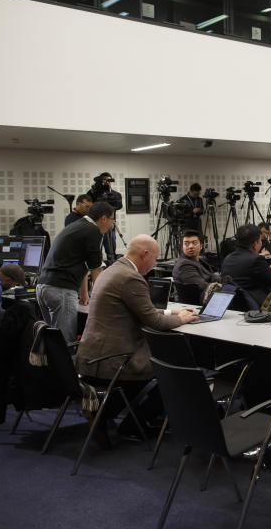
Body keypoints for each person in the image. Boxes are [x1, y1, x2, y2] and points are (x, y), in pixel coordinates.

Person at [77, 234, 197, 436]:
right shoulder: (131, 278)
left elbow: (140, 311)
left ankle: (110, 415)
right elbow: (154, 322)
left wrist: (171, 312)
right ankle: (136, 424)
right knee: (175, 373)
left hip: (92, 353)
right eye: (155, 258)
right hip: (115, 359)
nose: (154, 263)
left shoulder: (112, 271)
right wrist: (183, 319)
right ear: (145, 254)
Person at [36, 201, 115, 342]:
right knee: (65, 343)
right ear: (103, 218)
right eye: (112, 220)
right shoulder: (93, 231)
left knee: (53, 340)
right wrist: (104, 300)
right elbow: (96, 270)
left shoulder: (77, 226)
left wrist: (84, 294)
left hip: (43, 287)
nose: (112, 225)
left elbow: (83, 264)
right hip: (61, 289)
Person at [221, 224, 271, 307]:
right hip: (255, 307)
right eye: (260, 240)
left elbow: (247, 279)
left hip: (233, 306)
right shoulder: (255, 259)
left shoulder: (227, 259)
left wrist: (268, 272)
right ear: (255, 244)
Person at [172, 229, 219, 294]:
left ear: (201, 246)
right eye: (186, 244)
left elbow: (212, 276)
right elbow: (204, 287)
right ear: (182, 248)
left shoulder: (198, 260)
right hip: (197, 302)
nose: (191, 246)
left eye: (194, 243)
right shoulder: (184, 266)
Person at [89, 172, 123, 259]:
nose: (106, 183)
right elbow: (89, 203)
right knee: (96, 247)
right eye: (104, 181)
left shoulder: (116, 194)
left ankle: (111, 261)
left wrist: (107, 194)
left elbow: (119, 205)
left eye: (108, 180)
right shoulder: (94, 193)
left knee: (111, 246)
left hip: (109, 224)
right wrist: (93, 192)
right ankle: (98, 263)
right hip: (96, 225)